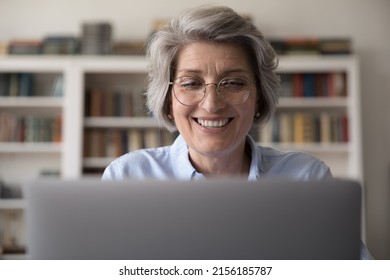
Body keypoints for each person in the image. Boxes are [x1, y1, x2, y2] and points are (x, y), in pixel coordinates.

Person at [102, 4, 372, 259]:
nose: (211, 104)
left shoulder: (306, 179)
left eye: (233, 82)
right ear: (168, 101)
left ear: (259, 98)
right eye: (191, 83)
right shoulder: (127, 177)